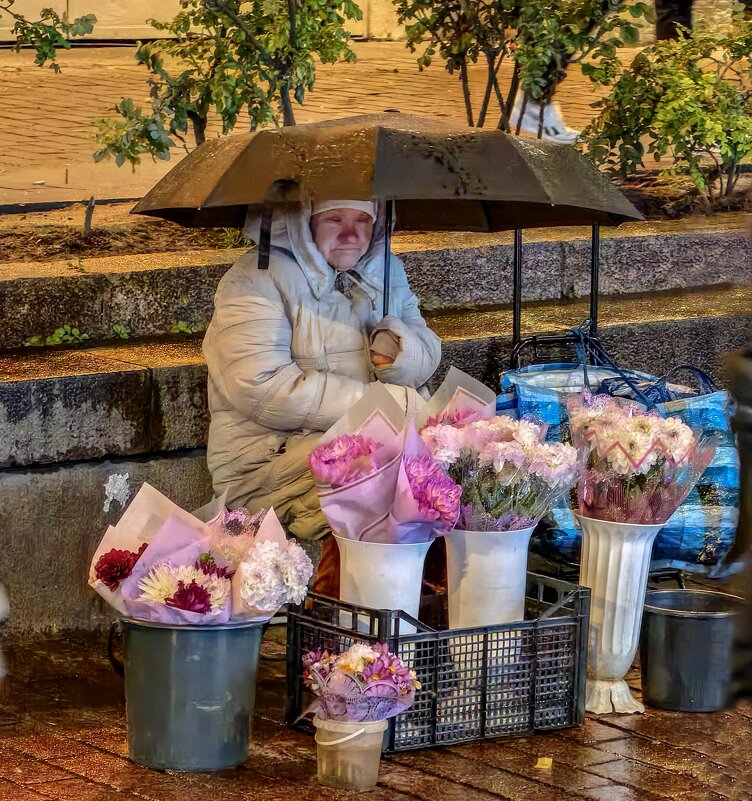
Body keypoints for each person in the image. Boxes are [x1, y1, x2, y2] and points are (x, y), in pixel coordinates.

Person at [202, 199, 441, 595]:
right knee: (380, 485)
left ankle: (429, 627)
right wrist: (379, 404)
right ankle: (347, 637)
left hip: (376, 439)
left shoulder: (386, 269)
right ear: (302, 222)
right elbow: (261, 386)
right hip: (270, 463)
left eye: (363, 219)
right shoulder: (253, 279)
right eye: (335, 219)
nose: (351, 233)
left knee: (452, 473)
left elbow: (428, 349)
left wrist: (397, 353)